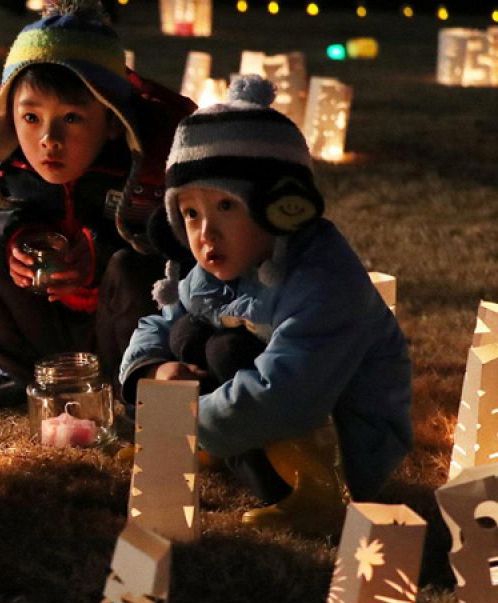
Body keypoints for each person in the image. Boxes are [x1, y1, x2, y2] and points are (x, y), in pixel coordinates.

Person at [118, 74, 412, 537]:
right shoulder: (226, 263)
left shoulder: (324, 283)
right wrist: (152, 371)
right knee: (189, 337)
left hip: (348, 438)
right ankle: (218, 449)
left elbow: (286, 393)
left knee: (227, 354)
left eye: (226, 207)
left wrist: (176, 428)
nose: (204, 234)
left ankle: (314, 491)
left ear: (282, 207)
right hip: (258, 413)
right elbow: (166, 317)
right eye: (190, 213)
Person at [0, 0, 193, 404]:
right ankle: (33, 381)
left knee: (132, 267)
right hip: (39, 321)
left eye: (71, 118)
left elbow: (188, 254)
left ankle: (125, 390)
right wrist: (10, 235)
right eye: (31, 118)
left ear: (113, 122)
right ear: (8, 114)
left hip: (123, 328)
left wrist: (99, 254)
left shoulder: (150, 163)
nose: (49, 139)